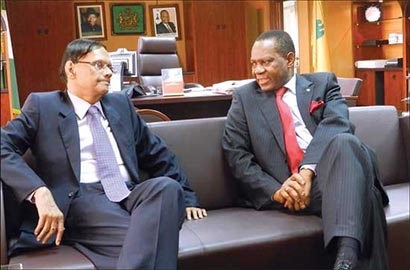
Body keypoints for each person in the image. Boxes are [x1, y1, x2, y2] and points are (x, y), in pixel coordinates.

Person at [1, 38, 207, 270]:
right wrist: (38, 192)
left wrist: (187, 198)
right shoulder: (43, 106)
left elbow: (157, 153)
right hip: (83, 197)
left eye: (111, 67)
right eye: (99, 65)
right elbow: (2, 146)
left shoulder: (120, 104)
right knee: (142, 236)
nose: (109, 72)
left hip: (128, 192)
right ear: (71, 69)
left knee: (167, 188)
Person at [222, 30, 389, 270]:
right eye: (254, 64)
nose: (257, 70)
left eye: (266, 62)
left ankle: (345, 261)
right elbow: (236, 155)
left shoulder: (323, 83)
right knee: (367, 196)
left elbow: (339, 123)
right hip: (292, 190)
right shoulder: (244, 98)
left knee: (344, 141)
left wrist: (306, 172)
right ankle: (346, 260)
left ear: (289, 60)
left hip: (332, 171)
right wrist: (277, 191)